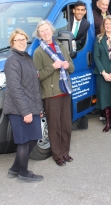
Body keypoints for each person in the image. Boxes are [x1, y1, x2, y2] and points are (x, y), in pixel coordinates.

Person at [3, 29, 44, 183]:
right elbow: (15, 88)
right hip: (18, 109)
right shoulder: (12, 60)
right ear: (12, 43)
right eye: (17, 40)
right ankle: (23, 173)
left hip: (30, 105)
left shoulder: (26, 58)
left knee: (33, 139)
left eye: (23, 39)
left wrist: (39, 108)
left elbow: (34, 86)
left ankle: (15, 169)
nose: (21, 42)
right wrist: (25, 112)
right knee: (25, 141)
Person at [33, 20, 75, 166]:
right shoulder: (38, 52)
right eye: (42, 31)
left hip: (65, 91)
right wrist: (53, 67)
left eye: (47, 30)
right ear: (39, 35)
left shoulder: (61, 46)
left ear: (51, 30)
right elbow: (37, 75)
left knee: (66, 125)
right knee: (54, 126)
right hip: (51, 94)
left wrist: (67, 65)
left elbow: (72, 68)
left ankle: (65, 152)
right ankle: (57, 155)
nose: (45, 33)